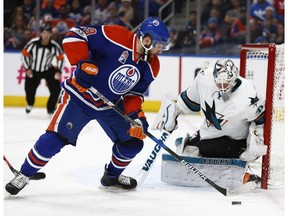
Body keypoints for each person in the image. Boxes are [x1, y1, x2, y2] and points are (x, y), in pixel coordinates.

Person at [5, 16, 170, 195]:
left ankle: (111, 177)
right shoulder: (116, 36)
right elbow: (74, 35)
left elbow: (133, 94)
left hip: (109, 105)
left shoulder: (152, 65)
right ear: (146, 39)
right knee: (56, 138)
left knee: (133, 143)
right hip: (80, 95)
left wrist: (136, 117)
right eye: (158, 45)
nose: (159, 50)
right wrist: (82, 62)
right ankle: (24, 174)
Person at [159, 59, 267, 182]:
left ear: (234, 78)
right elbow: (189, 103)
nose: (222, 88)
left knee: (200, 150)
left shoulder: (248, 94)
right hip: (208, 134)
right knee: (189, 149)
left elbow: (260, 121)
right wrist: (174, 111)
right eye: (218, 83)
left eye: (226, 84)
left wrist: (255, 146)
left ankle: (238, 174)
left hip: (234, 141)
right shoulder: (204, 78)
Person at [21, 23, 64, 115]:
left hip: (48, 70)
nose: (46, 35)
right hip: (33, 69)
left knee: (56, 90)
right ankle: (30, 103)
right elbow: (24, 54)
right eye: (44, 32)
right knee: (29, 90)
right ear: (40, 34)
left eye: (48, 33)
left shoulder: (54, 46)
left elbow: (60, 58)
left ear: (51, 34)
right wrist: (27, 68)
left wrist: (58, 71)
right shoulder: (33, 43)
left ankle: (50, 108)